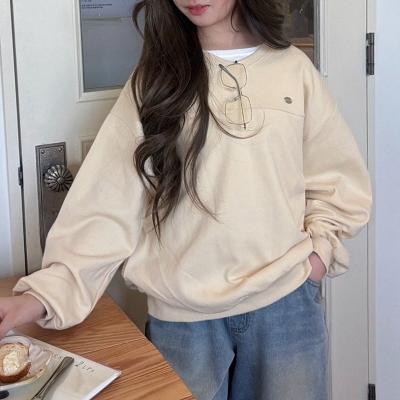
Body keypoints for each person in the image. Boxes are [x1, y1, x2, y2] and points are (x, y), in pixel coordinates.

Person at [0, 1, 371, 399]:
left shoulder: (294, 69)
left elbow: (336, 177)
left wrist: (319, 254)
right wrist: (43, 296)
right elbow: (105, 203)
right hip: (183, 321)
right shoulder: (155, 81)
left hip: (287, 307)